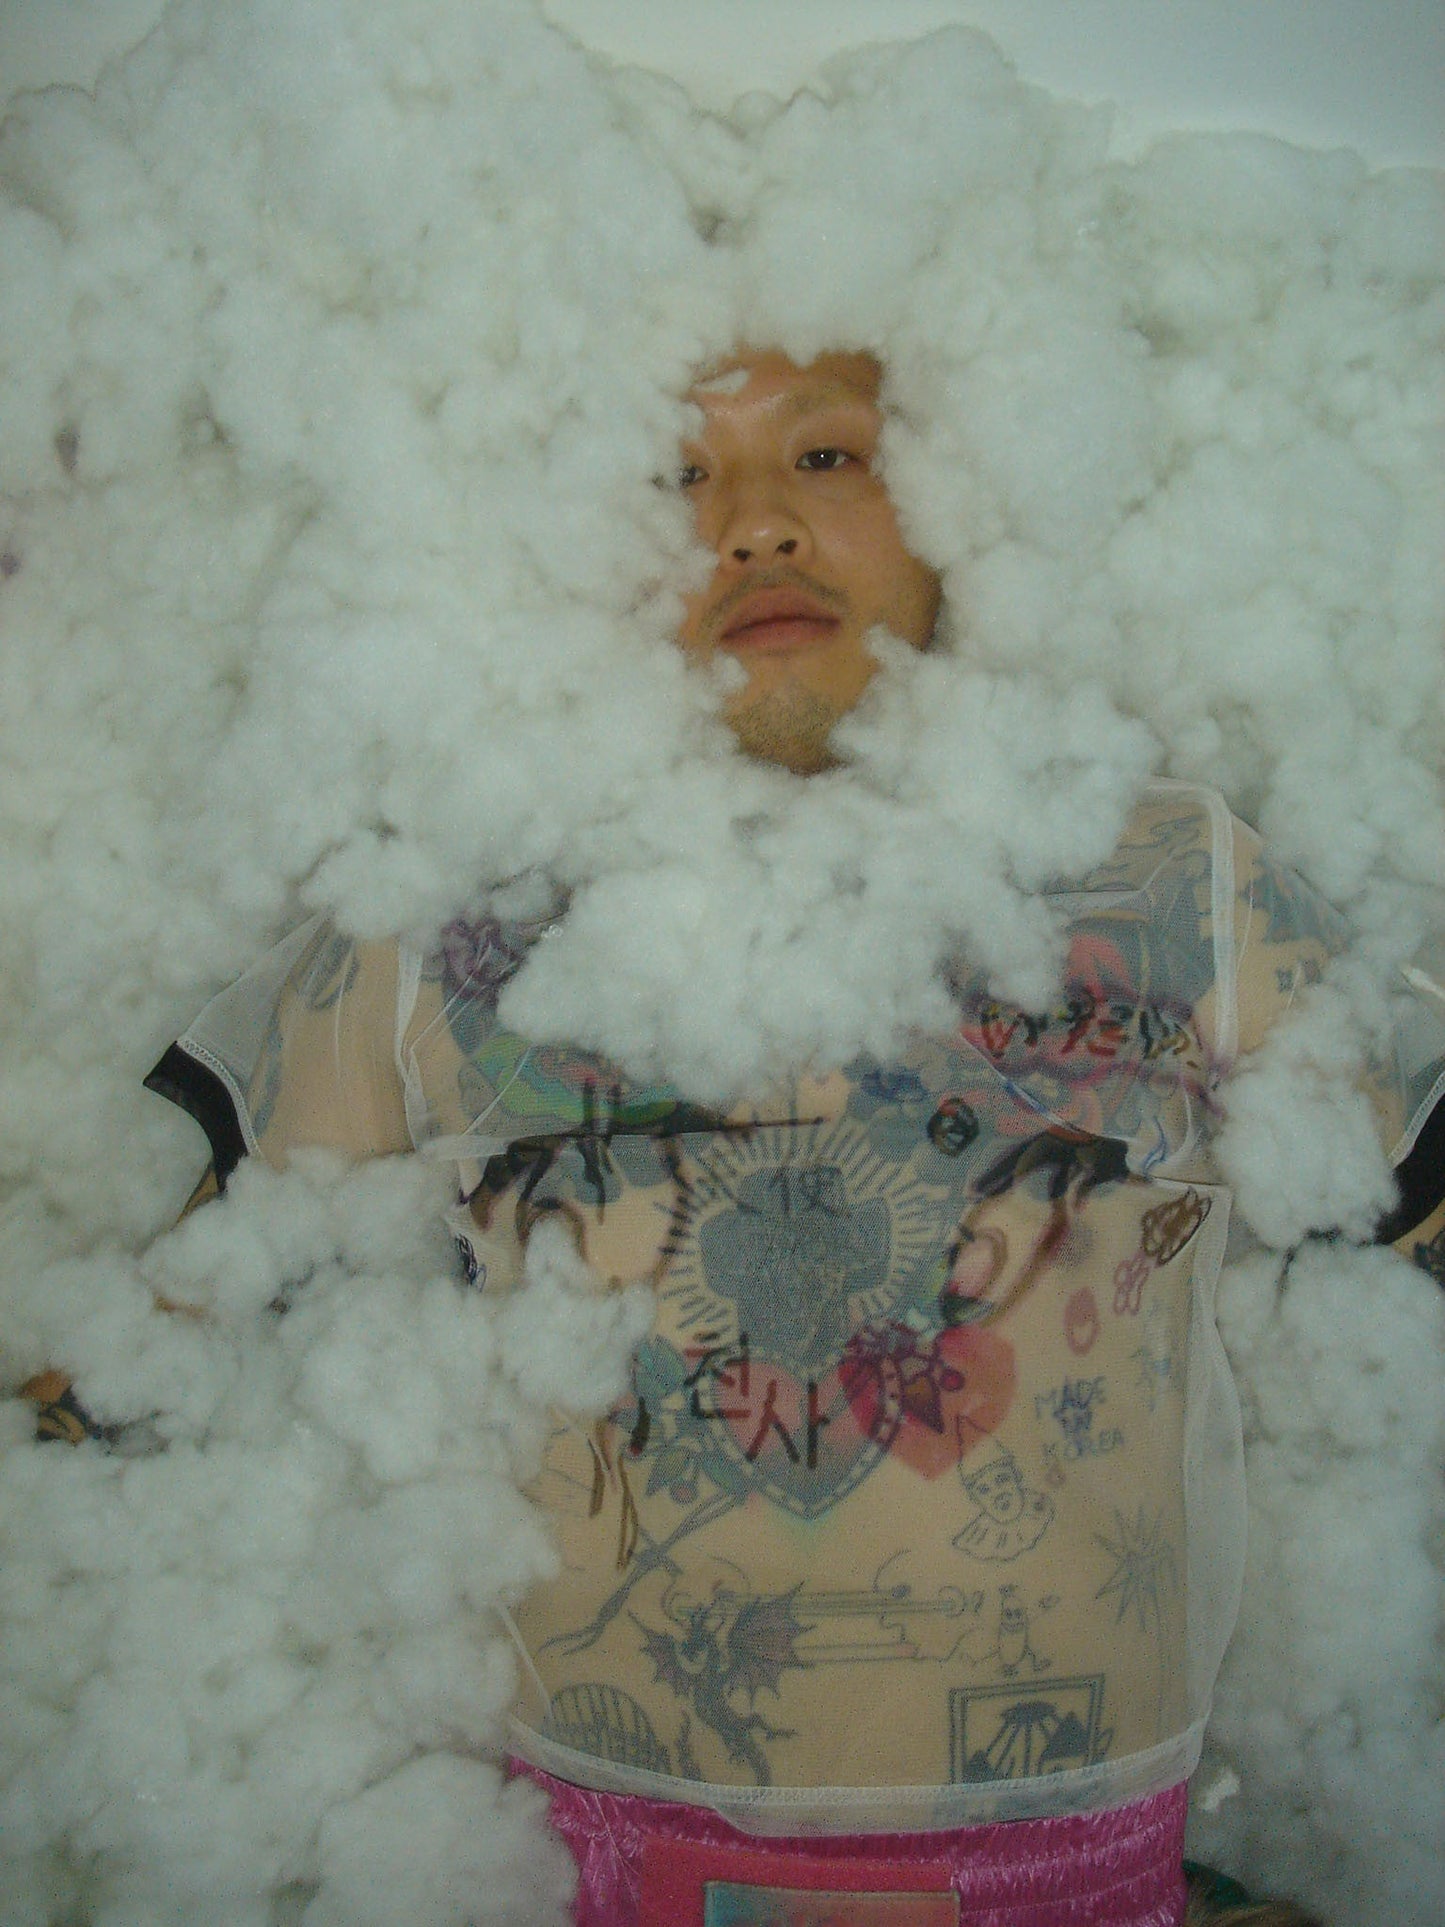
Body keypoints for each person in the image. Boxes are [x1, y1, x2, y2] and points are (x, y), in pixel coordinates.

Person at [32, 351, 1442, 1926]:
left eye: (826, 455)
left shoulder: (1171, 878)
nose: (753, 522)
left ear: (970, 499)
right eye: (674, 475)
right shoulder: (439, 918)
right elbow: (176, 1333)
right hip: (571, 1858)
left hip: (1073, 1857)